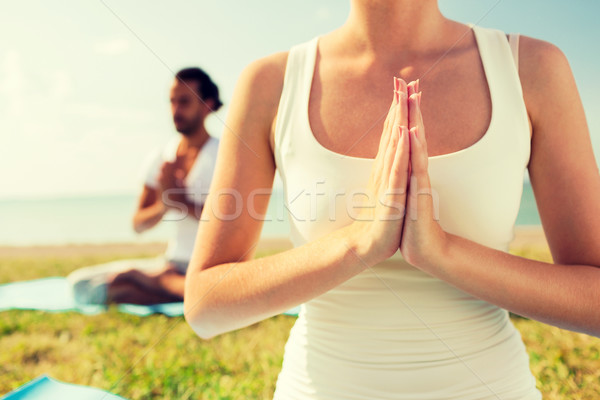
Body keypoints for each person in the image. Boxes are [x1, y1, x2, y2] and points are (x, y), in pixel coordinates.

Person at [184, 1, 600, 399]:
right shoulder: (271, 82)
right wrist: (360, 242)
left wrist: (443, 253)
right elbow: (205, 305)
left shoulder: (530, 68)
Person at [68, 67, 221, 305]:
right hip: (172, 263)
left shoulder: (224, 155)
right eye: (172, 101)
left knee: (122, 286)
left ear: (207, 105)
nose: (176, 110)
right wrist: (164, 205)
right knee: (82, 282)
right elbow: (138, 225)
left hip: (211, 267)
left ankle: (158, 283)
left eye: (184, 101)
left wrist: (180, 201)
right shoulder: (162, 157)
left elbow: (230, 222)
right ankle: (166, 286)